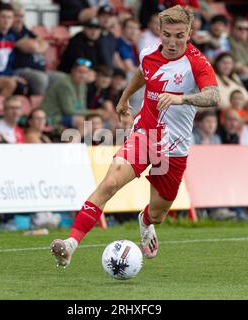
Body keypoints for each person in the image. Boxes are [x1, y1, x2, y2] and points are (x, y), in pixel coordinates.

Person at [50, 6, 220, 268]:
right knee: (109, 183)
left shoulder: (196, 62)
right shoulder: (148, 54)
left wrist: (181, 98)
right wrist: (124, 97)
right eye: (167, 35)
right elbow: (143, 73)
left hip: (174, 148)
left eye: (179, 35)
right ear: (159, 33)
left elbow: (213, 95)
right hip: (145, 135)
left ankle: (146, 221)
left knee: (159, 213)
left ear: (189, 34)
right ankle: (70, 244)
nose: (173, 42)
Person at [42, 58, 102, 137]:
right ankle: (75, 146)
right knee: (80, 121)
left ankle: (93, 146)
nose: (83, 75)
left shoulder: (82, 85)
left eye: (85, 72)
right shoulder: (65, 84)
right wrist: (94, 112)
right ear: (73, 71)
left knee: (95, 120)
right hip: (51, 116)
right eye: (80, 72)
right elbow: (68, 111)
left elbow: (82, 108)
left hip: (65, 116)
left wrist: (93, 114)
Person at [0, 3, 28, 97]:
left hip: (3, 75)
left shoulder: (11, 37)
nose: (6, 20)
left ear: (12, 20)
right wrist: (3, 75)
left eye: (9, 17)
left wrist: (13, 75)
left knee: (16, 84)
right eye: (3, 17)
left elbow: (9, 64)